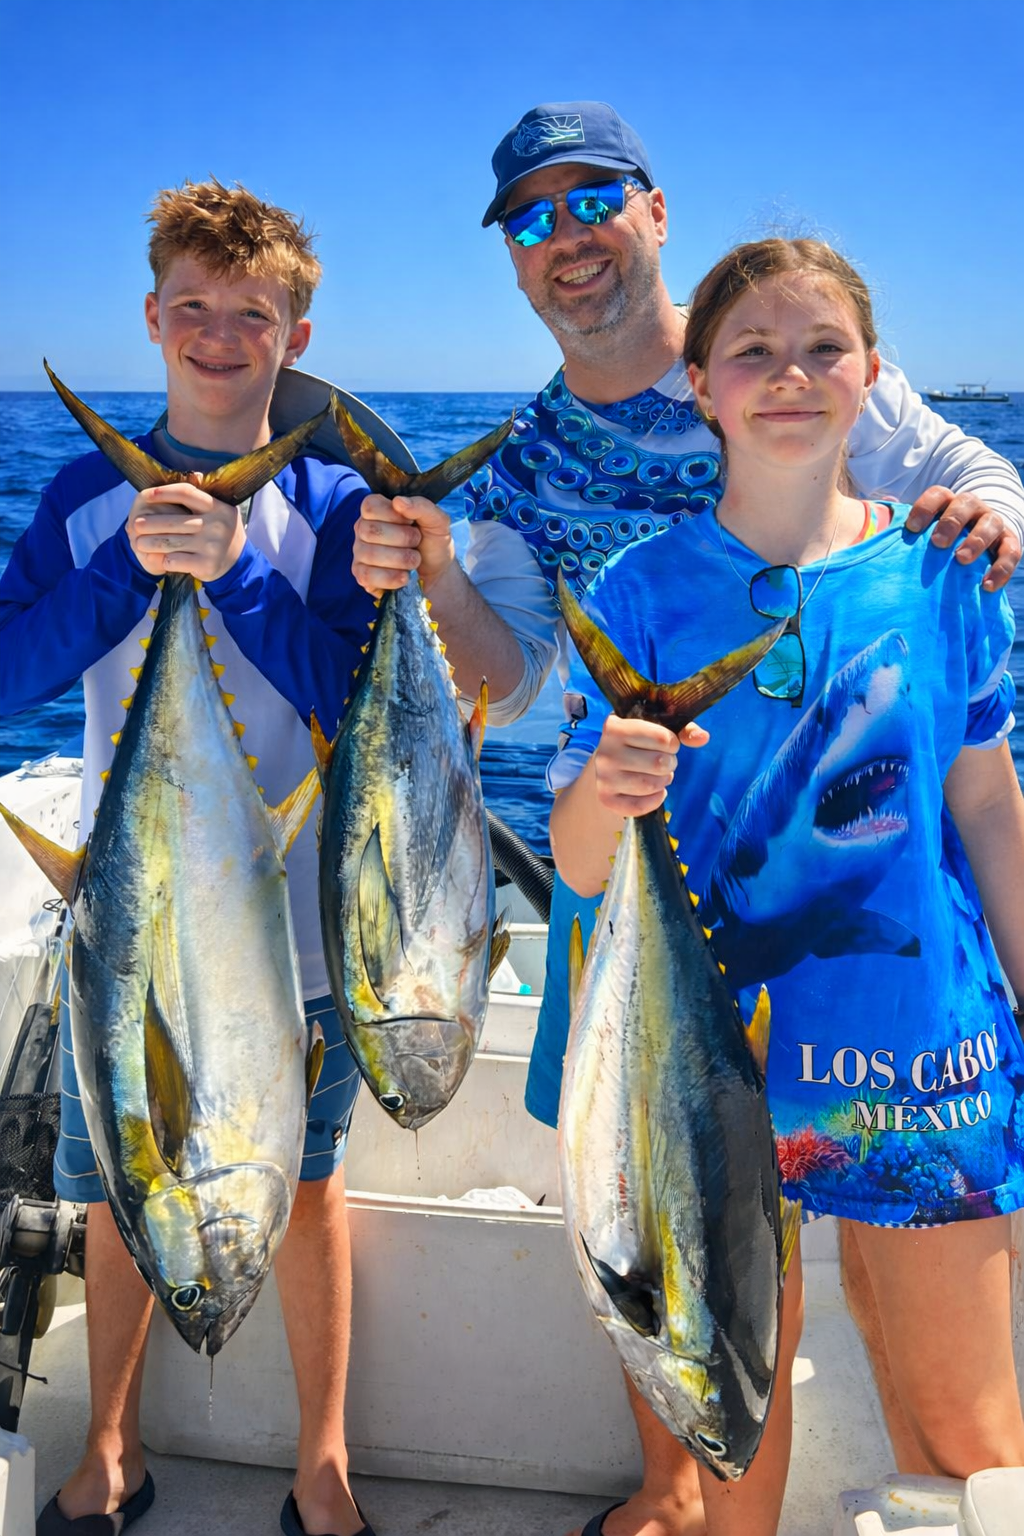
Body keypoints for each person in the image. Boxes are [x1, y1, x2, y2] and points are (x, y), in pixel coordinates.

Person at [350, 101, 1024, 1536]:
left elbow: (965, 486)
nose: (569, 236)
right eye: (532, 218)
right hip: (647, 866)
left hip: (879, 957)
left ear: (654, 211)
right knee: (674, 1273)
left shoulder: (784, 342)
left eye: (593, 199)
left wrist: (998, 512)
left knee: (925, 1346)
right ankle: (678, 1501)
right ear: (513, 258)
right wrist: (433, 579)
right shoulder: (530, 465)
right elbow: (513, 681)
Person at [546, 235, 1024, 1536]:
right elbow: (579, 863)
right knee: (729, 1406)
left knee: (972, 1439)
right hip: (706, 1061)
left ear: (872, 374)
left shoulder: (945, 572)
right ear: (700, 384)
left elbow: (987, 804)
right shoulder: (638, 593)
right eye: (751, 350)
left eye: (824, 347)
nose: (790, 374)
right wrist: (609, 787)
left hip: (919, 1050)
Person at [0, 179, 376, 1536]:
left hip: (298, 932)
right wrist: (123, 570)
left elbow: (363, 704)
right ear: (153, 318)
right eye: (196, 308)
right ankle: (109, 1449)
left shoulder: (335, 499)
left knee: (311, 1189)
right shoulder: (85, 493)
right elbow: (6, 675)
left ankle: (322, 1462)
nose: (222, 334)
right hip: (137, 928)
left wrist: (235, 573)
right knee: (117, 1186)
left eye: (253, 315)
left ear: (297, 335)